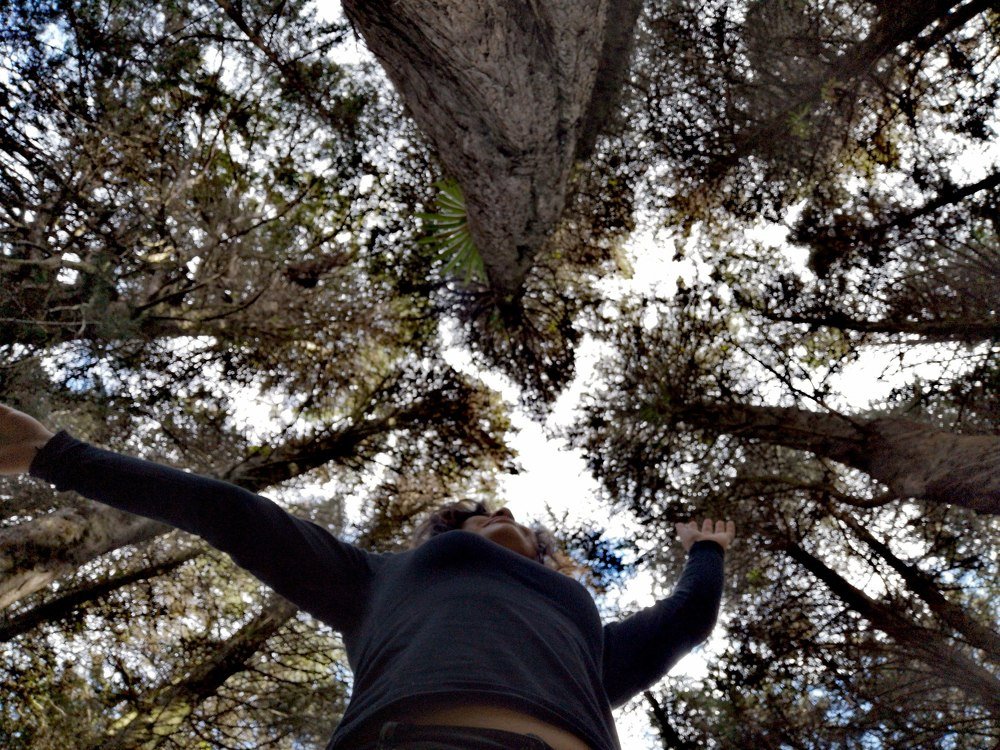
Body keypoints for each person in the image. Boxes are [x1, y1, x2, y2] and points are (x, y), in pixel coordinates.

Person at [0, 403, 736, 750]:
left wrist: (706, 550)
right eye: (476, 515)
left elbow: (687, 621)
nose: (499, 510)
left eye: (512, 514)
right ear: (442, 537)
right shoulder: (380, 578)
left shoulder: (582, 634)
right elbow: (228, 513)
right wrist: (53, 455)